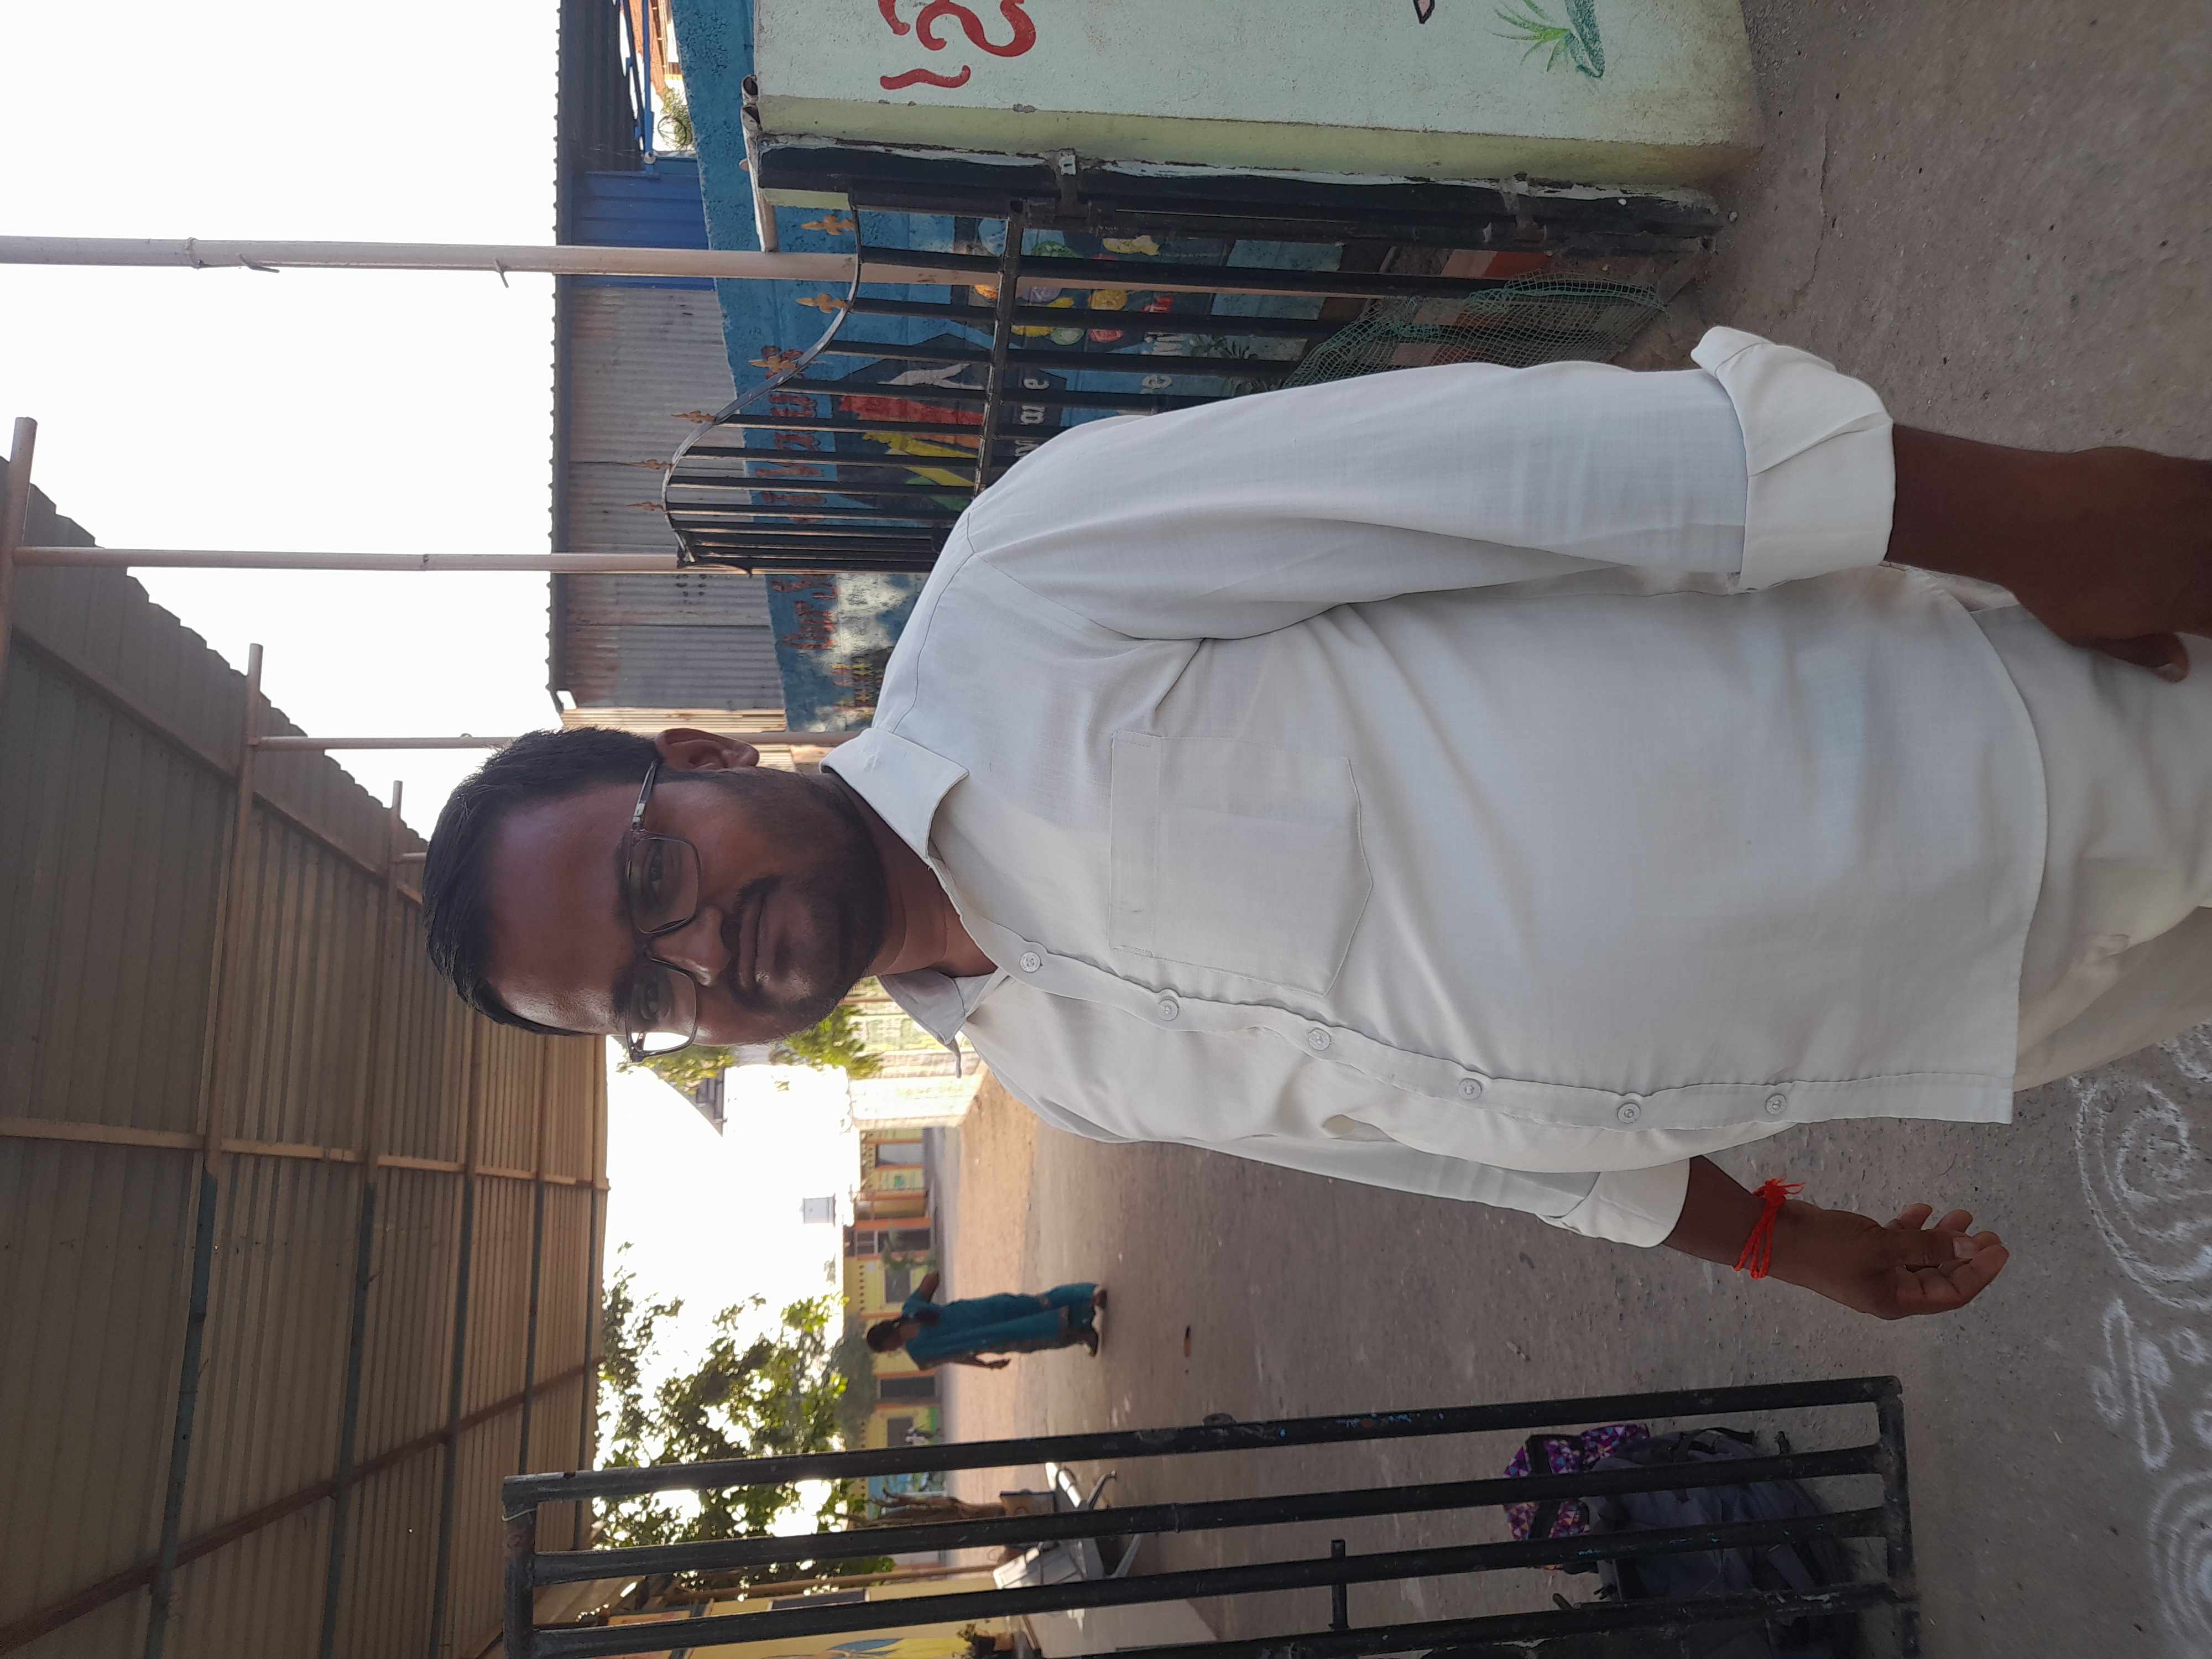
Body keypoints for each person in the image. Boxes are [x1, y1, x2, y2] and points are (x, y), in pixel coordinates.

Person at [421, 327, 2212, 1323]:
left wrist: (2051, 520)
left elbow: (1533, 468)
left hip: (2008, 765)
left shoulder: (1028, 595)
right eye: (648, 994)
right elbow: (1443, 1148)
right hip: (1964, 1024)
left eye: (650, 875)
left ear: (695, 753)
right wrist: (1778, 1241)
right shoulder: (1060, 1073)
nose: (700, 953)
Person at [865, 1271, 1104, 1367]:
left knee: (1035, 1326)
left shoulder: (919, 1350)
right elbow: (933, 1277)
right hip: (985, 1316)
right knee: (1036, 1309)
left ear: (887, 1342)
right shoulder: (911, 1311)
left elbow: (957, 1357)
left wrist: (985, 1366)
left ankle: (1085, 1322)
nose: (891, 1350)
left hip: (989, 1331)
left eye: (887, 1349)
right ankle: (1088, 1302)